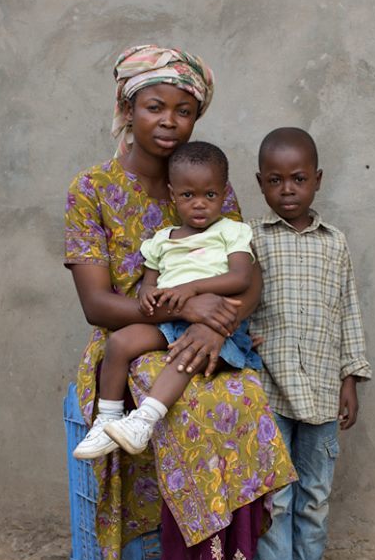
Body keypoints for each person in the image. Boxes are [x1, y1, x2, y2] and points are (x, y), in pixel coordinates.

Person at [64, 45, 296, 560]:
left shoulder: (207, 181)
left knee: (245, 403)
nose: (169, 121)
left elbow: (248, 281)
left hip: (211, 337)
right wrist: (188, 308)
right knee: (190, 411)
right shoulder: (91, 189)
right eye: (154, 106)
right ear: (127, 106)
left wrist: (209, 324)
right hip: (131, 342)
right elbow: (98, 304)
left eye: (185, 109)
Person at [246, 127, 371, 560]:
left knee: (314, 489)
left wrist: (351, 378)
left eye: (298, 179)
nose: (288, 190)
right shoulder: (251, 239)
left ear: (317, 180)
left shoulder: (334, 243)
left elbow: (347, 312)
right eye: (275, 181)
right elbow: (237, 303)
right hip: (269, 388)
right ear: (260, 184)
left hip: (321, 388)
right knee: (272, 490)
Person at [72, 140, 262, 460]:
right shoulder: (162, 240)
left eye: (210, 195)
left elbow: (242, 277)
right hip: (169, 319)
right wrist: (148, 296)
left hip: (212, 322)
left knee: (183, 359)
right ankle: (107, 420)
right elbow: (150, 282)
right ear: (174, 195)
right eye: (189, 195)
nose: (199, 204)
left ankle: (144, 422)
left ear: (223, 194)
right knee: (119, 343)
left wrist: (193, 289)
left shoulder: (231, 231)